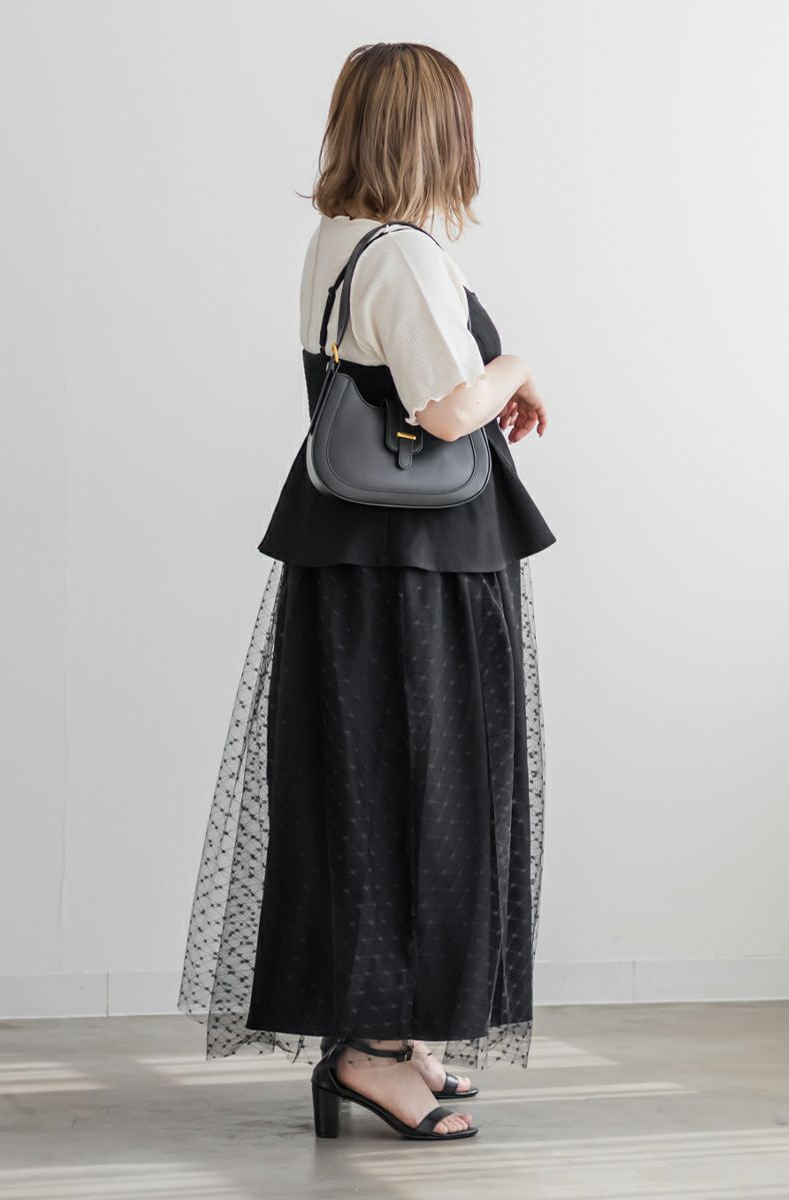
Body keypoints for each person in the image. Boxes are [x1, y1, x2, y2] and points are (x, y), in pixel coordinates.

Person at [178, 41, 555, 1143]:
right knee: (425, 796)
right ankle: (371, 1055)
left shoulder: (339, 241)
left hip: (355, 566)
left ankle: (393, 1032)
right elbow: (446, 411)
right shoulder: (406, 257)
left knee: (369, 792)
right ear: (440, 136)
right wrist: (515, 368)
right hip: (415, 577)